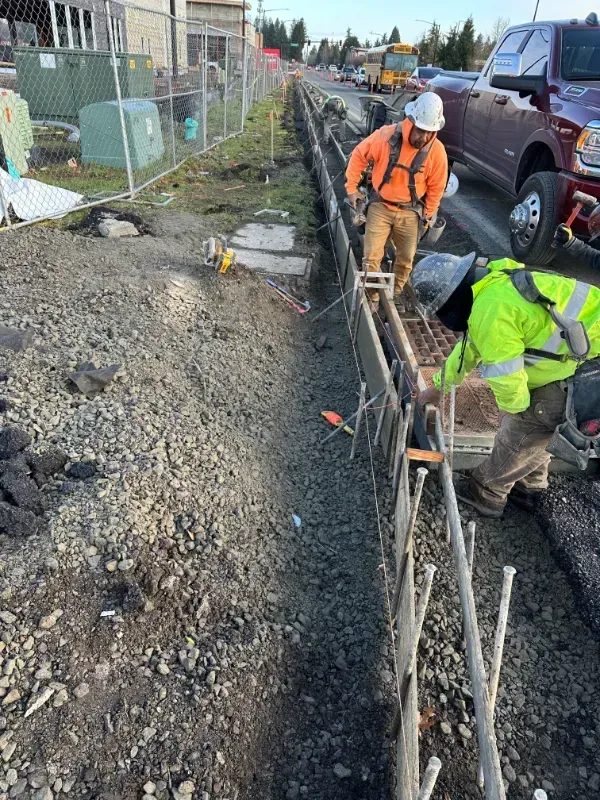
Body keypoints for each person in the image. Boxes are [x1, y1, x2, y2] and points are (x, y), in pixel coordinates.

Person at [412, 252, 600, 517]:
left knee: (525, 423)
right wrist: (440, 385)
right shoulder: (494, 285)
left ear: (451, 301)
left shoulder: (491, 310)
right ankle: (530, 487)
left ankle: (486, 492)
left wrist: (513, 409)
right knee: (540, 428)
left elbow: (508, 382)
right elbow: (471, 347)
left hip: (591, 373)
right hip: (582, 362)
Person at [345, 93, 448, 306]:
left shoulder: (436, 153)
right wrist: (352, 189)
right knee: (372, 257)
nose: (423, 137)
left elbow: (437, 187)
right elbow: (358, 156)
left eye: (429, 132)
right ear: (410, 122)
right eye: (420, 130)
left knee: (406, 258)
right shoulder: (385, 137)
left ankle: (394, 295)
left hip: (410, 211)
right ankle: (372, 299)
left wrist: (427, 216)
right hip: (381, 206)